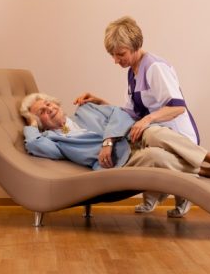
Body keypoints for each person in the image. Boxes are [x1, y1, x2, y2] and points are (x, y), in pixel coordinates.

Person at [74, 16, 201, 217]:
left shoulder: (154, 67)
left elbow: (178, 107)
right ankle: (153, 195)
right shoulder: (132, 72)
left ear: (136, 46)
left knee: (150, 154)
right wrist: (100, 102)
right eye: (113, 55)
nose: (116, 60)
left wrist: (147, 119)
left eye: (120, 54)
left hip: (177, 138)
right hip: (154, 133)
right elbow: (130, 113)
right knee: (137, 145)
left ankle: (184, 192)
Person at [20, 93, 210, 187]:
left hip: (129, 137)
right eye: (41, 112)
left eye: (48, 103)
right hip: (119, 162)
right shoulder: (53, 139)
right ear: (39, 121)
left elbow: (119, 114)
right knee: (156, 156)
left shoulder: (86, 110)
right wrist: (30, 124)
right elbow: (33, 145)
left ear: (56, 103)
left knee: (155, 133)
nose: (49, 109)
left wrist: (108, 140)